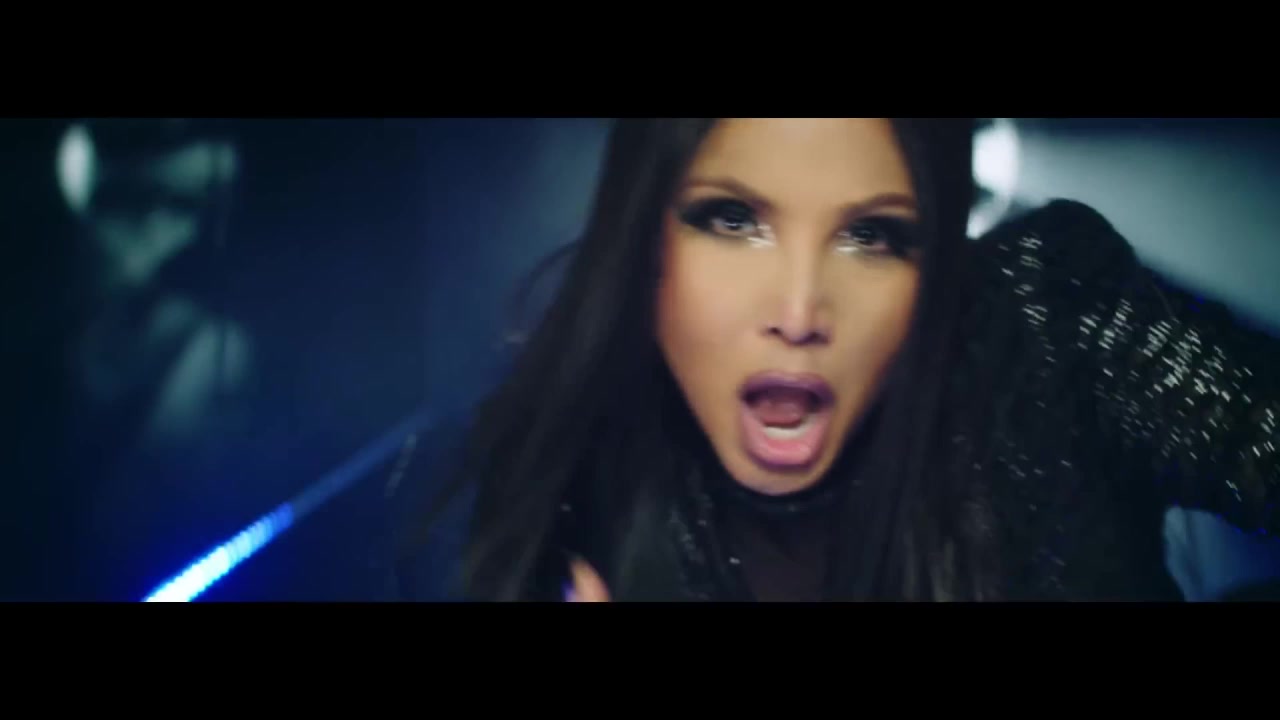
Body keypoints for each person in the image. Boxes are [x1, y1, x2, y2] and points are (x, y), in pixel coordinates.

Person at [411, 118, 1280, 602]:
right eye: (733, 219)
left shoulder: (1044, 321)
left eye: (872, 234)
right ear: (643, 239)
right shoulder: (586, 489)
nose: (799, 314)